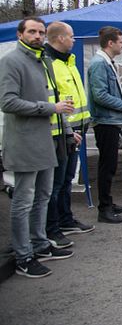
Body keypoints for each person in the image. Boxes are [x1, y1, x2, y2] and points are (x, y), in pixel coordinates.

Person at [0, 17, 74, 278]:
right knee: (23, 201)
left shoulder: (44, 61)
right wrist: (49, 109)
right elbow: (8, 102)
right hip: (23, 141)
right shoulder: (11, 61)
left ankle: (40, 244)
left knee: (43, 196)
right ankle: (23, 256)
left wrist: (67, 130)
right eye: (32, 31)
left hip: (47, 140)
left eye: (41, 32)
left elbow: (55, 99)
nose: (37, 36)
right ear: (20, 34)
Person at [43, 22, 93, 248]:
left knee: (66, 181)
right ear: (60, 38)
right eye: (71, 37)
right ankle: (51, 228)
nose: (74, 40)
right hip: (60, 132)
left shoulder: (68, 62)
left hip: (75, 131)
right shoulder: (49, 64)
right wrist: (69, 131)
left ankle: (66, 219)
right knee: (55, 184)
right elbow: (53, 100)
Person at [87, 26, 122, 224]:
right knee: (106, 165)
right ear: (110, 43)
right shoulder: (99, 64)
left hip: (111, 120)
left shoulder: (107, 62)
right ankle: (104, 208)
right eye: (121, 41)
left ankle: (108, 202)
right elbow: (100, 95)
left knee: (109, 164)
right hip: (105, 121)